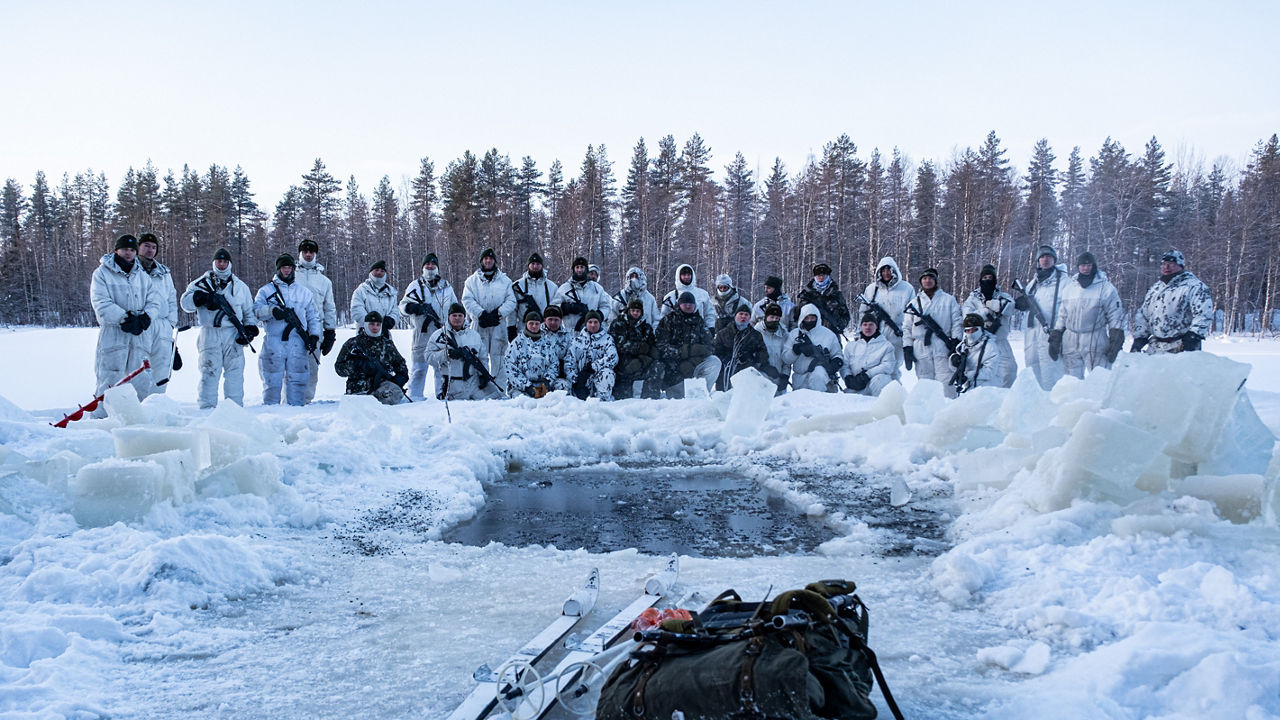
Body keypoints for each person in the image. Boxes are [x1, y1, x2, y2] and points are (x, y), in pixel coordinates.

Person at [90, 234, 164, 409]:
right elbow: (100, 302)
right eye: (125, 249)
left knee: (140, 379)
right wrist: (124, 318)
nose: (128, 253)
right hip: (114, 333)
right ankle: (102, 422)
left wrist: (146, 318)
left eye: (132, 250)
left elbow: (154, 300)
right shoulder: (102, 273)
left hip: (139, 334)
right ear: (116, 250)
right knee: (110, 379)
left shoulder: (142, 275)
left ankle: (137, 423)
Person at [180, 247, 257, 409]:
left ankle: (234, 410)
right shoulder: (201, 283)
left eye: (225, 261)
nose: (221, 264)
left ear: (229, 263)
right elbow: (185, 303)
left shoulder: (240, 287)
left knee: (235, 374)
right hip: (210, 334)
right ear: (214, 262)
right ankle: (206, 410)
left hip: (233, 334)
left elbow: (249, 312)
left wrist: (249, 329)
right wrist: (200, 298)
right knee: (209, 373)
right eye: (219, 261)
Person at [253, 254, 322, 406]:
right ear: (278, 269)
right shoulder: (266, 291)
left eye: (289, 267)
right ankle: (271, 414)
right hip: (274, 341)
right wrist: (272, 311)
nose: (287, 270)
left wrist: (314, 336)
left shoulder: (304, 292)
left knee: (298, 381)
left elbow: (313, 316)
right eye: (284, 267)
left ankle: (295, 414)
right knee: (271, 381)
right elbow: (256, 310)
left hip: (297, 341)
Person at [1053, 252, 1125, 377]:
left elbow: (1115, 315)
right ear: (1078, 266)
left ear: (1094, 266)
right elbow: (1062, 315)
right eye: (1082, 265)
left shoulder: (1105, 288)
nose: (1086, 268)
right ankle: (1073, 397)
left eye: (1089, 265)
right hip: (1070, 339)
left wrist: (1116, 337)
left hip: (1095, 339)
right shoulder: (1070, 288)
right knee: (1070, 382)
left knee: (1099, 380)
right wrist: (1056, 335)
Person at [1132, 249, 1214, 354]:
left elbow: (1203, 314)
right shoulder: (1156, 289)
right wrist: (1139, 339)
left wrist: (1193, 337)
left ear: (1180, 266)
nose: (1166, 267)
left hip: (1181, 347)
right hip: (1156, 348)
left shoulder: (1194, 286)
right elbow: (1144, 315)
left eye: (1171, 264)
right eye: (1164, 264)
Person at [400, 252, 458, 401]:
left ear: (437, 267)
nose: (430, 266)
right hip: (421, 334)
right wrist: (415, 308)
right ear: (423, 267)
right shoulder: (415, 286)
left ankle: (442, 397)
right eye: (427, 264)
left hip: (441, 333)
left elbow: (455, 307)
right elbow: (402, 307)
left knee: (441, 368)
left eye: (433, 264)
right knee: (419, 369)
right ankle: (414, 398)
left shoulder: (446, 287)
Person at [902, 268, 963, 396]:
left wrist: (956, 341)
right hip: (921, 348)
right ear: (921, 282)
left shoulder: (948, 300)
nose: (927, 281)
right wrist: (907, 347)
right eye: (924, 278)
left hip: (943, 346)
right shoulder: (914, 303)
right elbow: (907, 328)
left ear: (935, 281)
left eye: (930, 278)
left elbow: (957, 322)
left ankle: (948, 412)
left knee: (946, 383)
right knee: (925, 384)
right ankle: (926, 413)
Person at [1015, 245, 1069, 390]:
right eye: (1042, 257)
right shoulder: (1034, 282)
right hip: (1032, 335)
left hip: (1051, 334)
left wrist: (1062, 332)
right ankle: (1038, 406)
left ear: (1054, 260)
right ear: (1038, 260)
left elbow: (1069, 309)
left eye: (1049, 257)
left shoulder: (1064, 282)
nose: (1045, 260)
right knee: (1033, 370)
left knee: (1052, 374)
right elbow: (1029, 301)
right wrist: (1022, 303)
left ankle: (1053, 407)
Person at [461, 247, 517, 386]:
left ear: (495, 261)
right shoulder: (471, 281)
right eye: (485, 258)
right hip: (479, 324)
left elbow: (511, 301)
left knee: (499, 356)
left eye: (491, 259)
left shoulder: (505, 281)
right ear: (481, 261)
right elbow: (467, 300)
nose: (488, 261)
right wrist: (481, 314)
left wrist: (498, 314)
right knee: (478, 355)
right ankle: (480, 386)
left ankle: (499, 387)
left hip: (498, 324)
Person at [427, 302, 500, 400]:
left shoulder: (474, 335)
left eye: (460, 315)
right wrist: (447, 354)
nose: (457, 318)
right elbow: (428, 357)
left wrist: (483, 375)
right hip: (451, 385)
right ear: (449, 317)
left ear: (464, 317)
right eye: (454, 315)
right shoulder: (438, 335)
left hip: (474, 383)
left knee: (496, 399)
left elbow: (483, 358)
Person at [295, 239, 338, 403]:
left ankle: (307, 401)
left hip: (316, 330)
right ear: (300, 253)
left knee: (312, 368)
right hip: (293, 330)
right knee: (292, 368)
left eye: (311, 252)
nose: (308, 254)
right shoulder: (290, 275)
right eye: (305, 251)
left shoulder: (324, 281)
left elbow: (329, 307)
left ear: (315, 255)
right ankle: (289, 402)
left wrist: (330, 331)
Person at [334, 311, 409, 404]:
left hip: (382, 388)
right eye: (372, 324)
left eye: (378, 324)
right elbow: (339, 368)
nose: (375, 327)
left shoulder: (387, 344)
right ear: (365, 325)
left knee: (395, 394)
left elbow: (400, 364)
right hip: (358, 388)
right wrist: (358, 365)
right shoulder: (353, 343)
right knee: (361, 405)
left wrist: (400, 378)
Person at [135, 233, 179, 393]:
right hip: (141, 324)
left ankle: (157, 405)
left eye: (154, 247)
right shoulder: (131, 269)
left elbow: (171, 297)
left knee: (162, 367)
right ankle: (139, 407)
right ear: (138, 247)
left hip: (162, 325)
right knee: (138, 368)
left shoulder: (163, 272)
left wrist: (170, 323)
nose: (150, 250)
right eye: (146, 246)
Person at [656, 291, 721, 397]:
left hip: (694, 365)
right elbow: (660, 346)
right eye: (684, 303)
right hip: (673, 369)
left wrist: (695, 359)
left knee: (714, 362)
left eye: (690, 304)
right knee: (677, 401)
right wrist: (684, 352)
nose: (688, 306)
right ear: (679, 304)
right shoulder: (668, 320)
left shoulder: (699, 321)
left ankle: (701, 393)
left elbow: (710, 345)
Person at [962, 264, 1016, 388]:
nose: (987, 280)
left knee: (1009, 371)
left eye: (990, 277)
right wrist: (985, 312)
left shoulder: (1003, 296)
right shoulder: (973, 298)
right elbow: (967, 315)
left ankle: (1004, 399)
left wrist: (997, 305)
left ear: (995, 279)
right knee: (980, 373)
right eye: (984, 277)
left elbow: (1011, 306)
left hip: (1000, 341)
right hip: (980, 343)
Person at [858, 257, 914, 371]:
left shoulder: (906, 289)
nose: (886, 273)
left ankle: (894, 389)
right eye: (883, 271)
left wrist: (909, 336)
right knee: (874, 367)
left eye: (889, 270)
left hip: (897, 335)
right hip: (876, 334)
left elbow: (912, 315)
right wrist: (862, 332)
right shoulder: (872, 289)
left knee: (893, 367)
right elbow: (863, 313)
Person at [782, 303, 844, 392]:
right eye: (807, 318)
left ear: (817, 318)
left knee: (818, 373)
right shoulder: (794, 335)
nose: (810, 320)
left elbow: (837, 354)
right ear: (802, 318)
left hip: (823, 382)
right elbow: (785, 359)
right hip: (800, 381)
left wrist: (836, 363)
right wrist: (795, 351)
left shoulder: (828, 335)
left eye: (812, 318)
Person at [611, 299, 662, 399]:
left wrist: (644, 359)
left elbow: (652, 347)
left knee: (658, 366)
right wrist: (639, 348)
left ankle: (650, 399)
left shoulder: (646, 328)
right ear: (628, 310)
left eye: (638, 311)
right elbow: (619, 345)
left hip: (641, 362)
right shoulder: (618, 324)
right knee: (622, 400)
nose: (635, 313)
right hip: (623, 365)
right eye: (633, 310)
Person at [714, 305, 773, 390]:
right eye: (741, 314)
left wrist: (752, 356)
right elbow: (716, 353)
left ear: (749, 318)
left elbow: (764, 354)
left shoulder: (755, 335)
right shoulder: (723, 334)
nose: (743, 317)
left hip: (747, 373)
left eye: (746, 315)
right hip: (726, 373)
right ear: (735, 316)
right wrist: (725, 358)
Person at [503, 310, 559, 398]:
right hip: (521, 388)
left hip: (543, 385)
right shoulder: (516, 343)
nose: (534, 326)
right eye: (531, 323)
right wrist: (526, 386)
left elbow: (554, 364)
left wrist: (547, 381)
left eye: (537, 324)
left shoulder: (547, 343)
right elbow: (509, 367)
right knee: (523, 402)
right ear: (526, 324)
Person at [566, 309, 618, 400]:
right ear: (586, 323)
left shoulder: (607, 339)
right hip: (580, 380)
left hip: (598, 379)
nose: (593, 325)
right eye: (590, 322)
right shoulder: (577, 340)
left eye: (595, 322)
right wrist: (576, 382)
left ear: (600, 323)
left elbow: (613, 357)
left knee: (607, 373)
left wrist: (592, 368)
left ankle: (602, 402)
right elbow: (569, 361)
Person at [842, 313, 898, 396]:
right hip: (856, 385)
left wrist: (867, 375)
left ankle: (880, 407)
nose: (868, 327)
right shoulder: (851, 346)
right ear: (861, 327)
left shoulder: (886, 346)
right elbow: (844, 365)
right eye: (865, 324)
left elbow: (888, 366)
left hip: (875, 383)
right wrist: (848, 377)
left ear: (876, 327)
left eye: (871, 324)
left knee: (880, 380)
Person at [553, 256, 612, 333]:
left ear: (586, 269)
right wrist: (567, 308)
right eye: (577, 267)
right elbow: (553, 308)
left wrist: (597, 316)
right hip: (569, 333)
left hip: (592, 332)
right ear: (573, 269)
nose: (579, 270)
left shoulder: (597, 288)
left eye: (582, 267)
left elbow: (606, 306)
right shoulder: (564, 288)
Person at [794, 262, 851, 336]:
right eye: (818, 275)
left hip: (831, 335)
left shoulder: (836, 295)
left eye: (824, 275)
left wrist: (838, 325)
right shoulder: (806, 295)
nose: (821, 278)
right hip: (809, 336)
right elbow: (797, 316)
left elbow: (845, 315)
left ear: (828, 276)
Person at [952, 313, 1004, 392]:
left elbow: (990, 371)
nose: (971, 333)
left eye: (974, 330)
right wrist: (953, 360)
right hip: (971, 388)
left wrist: (968, 375)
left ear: (981, 329)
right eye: (968, 330)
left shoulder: (990, 346)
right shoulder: (963, 345)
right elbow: (959, 367)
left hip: (989, 389)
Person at [512, 252, 558, 341]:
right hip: (523, 331)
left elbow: (556, 309)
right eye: (532, 264)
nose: (535, 266)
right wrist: (511, 327)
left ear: (542, 266)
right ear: (528, 265)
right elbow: (513, 310)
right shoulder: (518, 286)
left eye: (538, 264)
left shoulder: (552, 287)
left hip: (545, 332)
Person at [660, 263, 716, 331]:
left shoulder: (703, 294)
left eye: (688, 275)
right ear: (678, 276)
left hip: (699, 333)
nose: (686, 277)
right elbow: (663, 318)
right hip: (677, 335)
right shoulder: (670, 297)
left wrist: (710, 328)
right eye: (684, 275)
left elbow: (709, 313)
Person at [350, 260, 400, 336]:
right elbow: (356, 310)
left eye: (382, 271)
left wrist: (391, 320)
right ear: (371, 273)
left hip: (384, 334)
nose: (379, 272)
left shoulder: (391, 293)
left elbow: (395, 310)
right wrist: (371, 323)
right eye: (376, 270)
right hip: (364, 334)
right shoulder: (361, 290)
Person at [754, 303, 793, 394]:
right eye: (771, 317)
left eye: (776, 318)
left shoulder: (784, 334)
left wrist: (785, 375)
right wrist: (762, 366)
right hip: (761, 377)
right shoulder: (756, 332)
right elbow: (751, 356)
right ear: (766, 316)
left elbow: (786, 359)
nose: (774, 320)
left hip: (778, 378)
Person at [540, 305, 576, 392]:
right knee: (536, 396)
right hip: (539, 376)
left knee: (563, 391)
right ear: (545, 320)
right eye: (550, 319)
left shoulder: (567, 336)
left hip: (558, 377)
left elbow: (570, 359)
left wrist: (572, 380)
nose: (553, 323)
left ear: (561, 320)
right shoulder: (536, 334)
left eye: (556, 320)